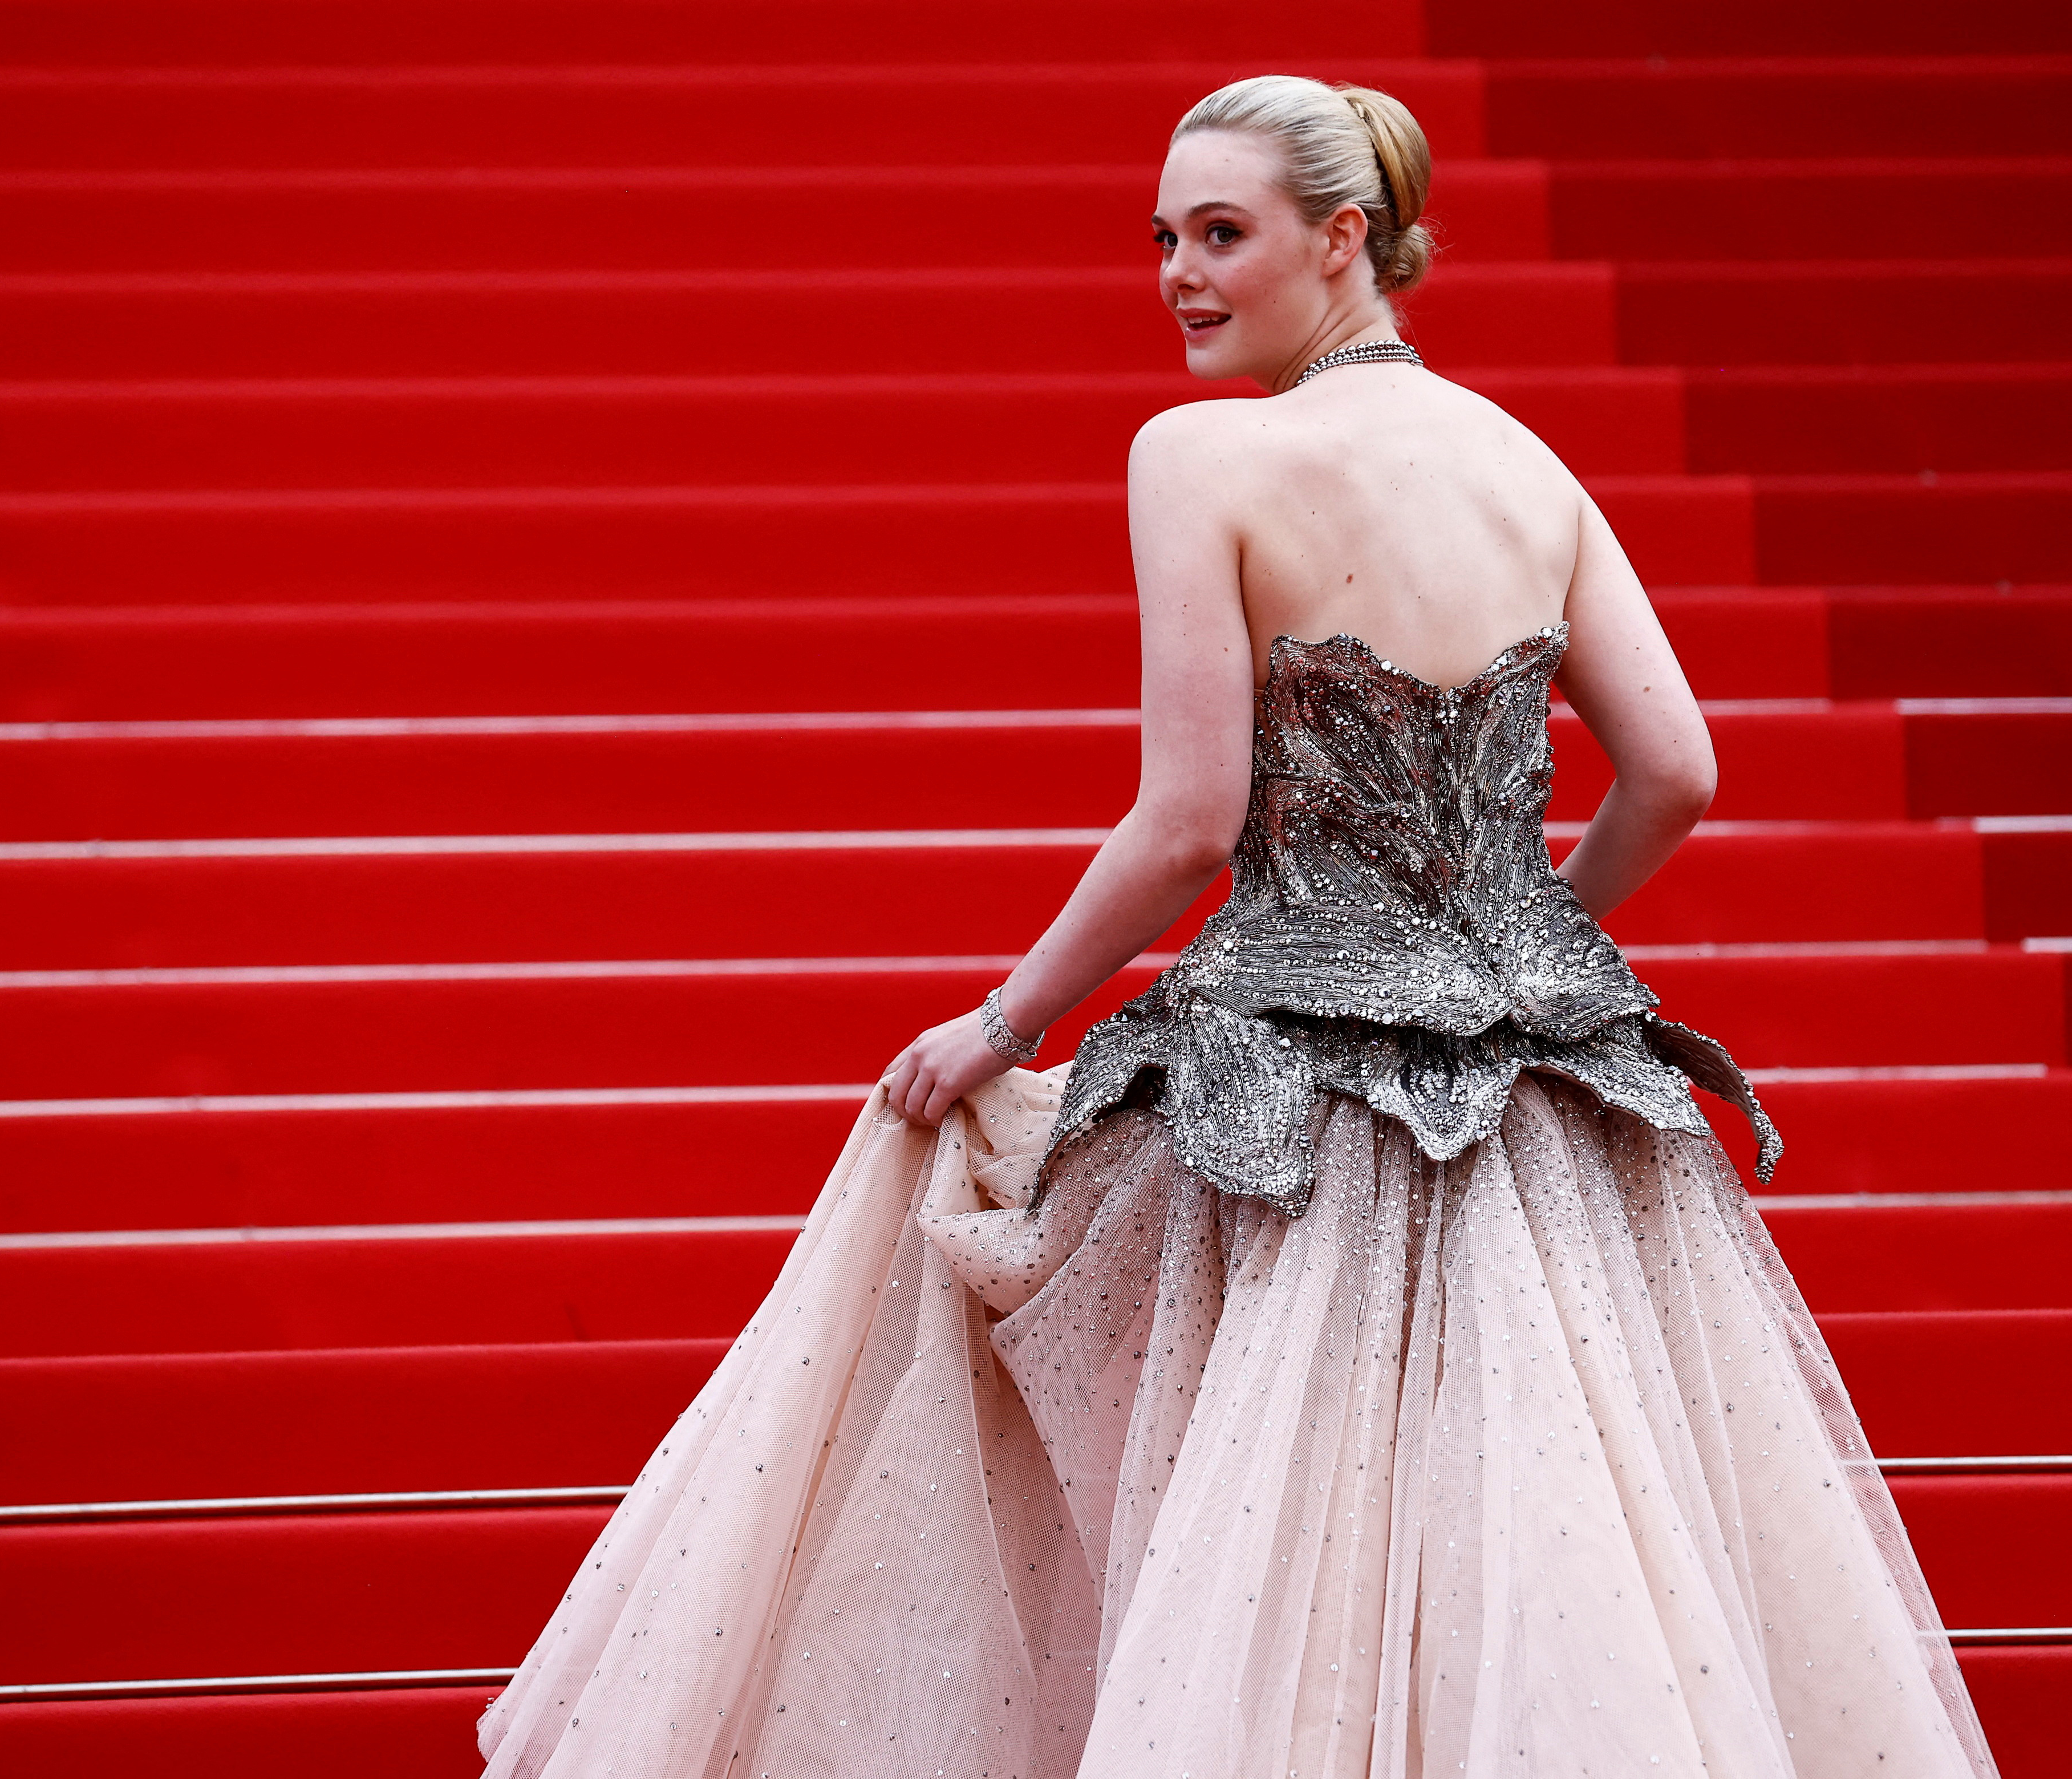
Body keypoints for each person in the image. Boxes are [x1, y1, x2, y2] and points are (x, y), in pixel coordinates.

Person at [477, 75, 1997, 1778]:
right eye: (1162, 241)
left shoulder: (1202, 455)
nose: (1178, 278)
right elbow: (1683, 772)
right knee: (1515, 1561)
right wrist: (1510, 952)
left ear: (1345, 240)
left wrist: (1003, 1024)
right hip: (1549, 1117)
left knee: (1248, 1543)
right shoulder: (1524, 462)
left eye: (1222, 235)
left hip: (1290, 1129)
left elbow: (1189, 824)